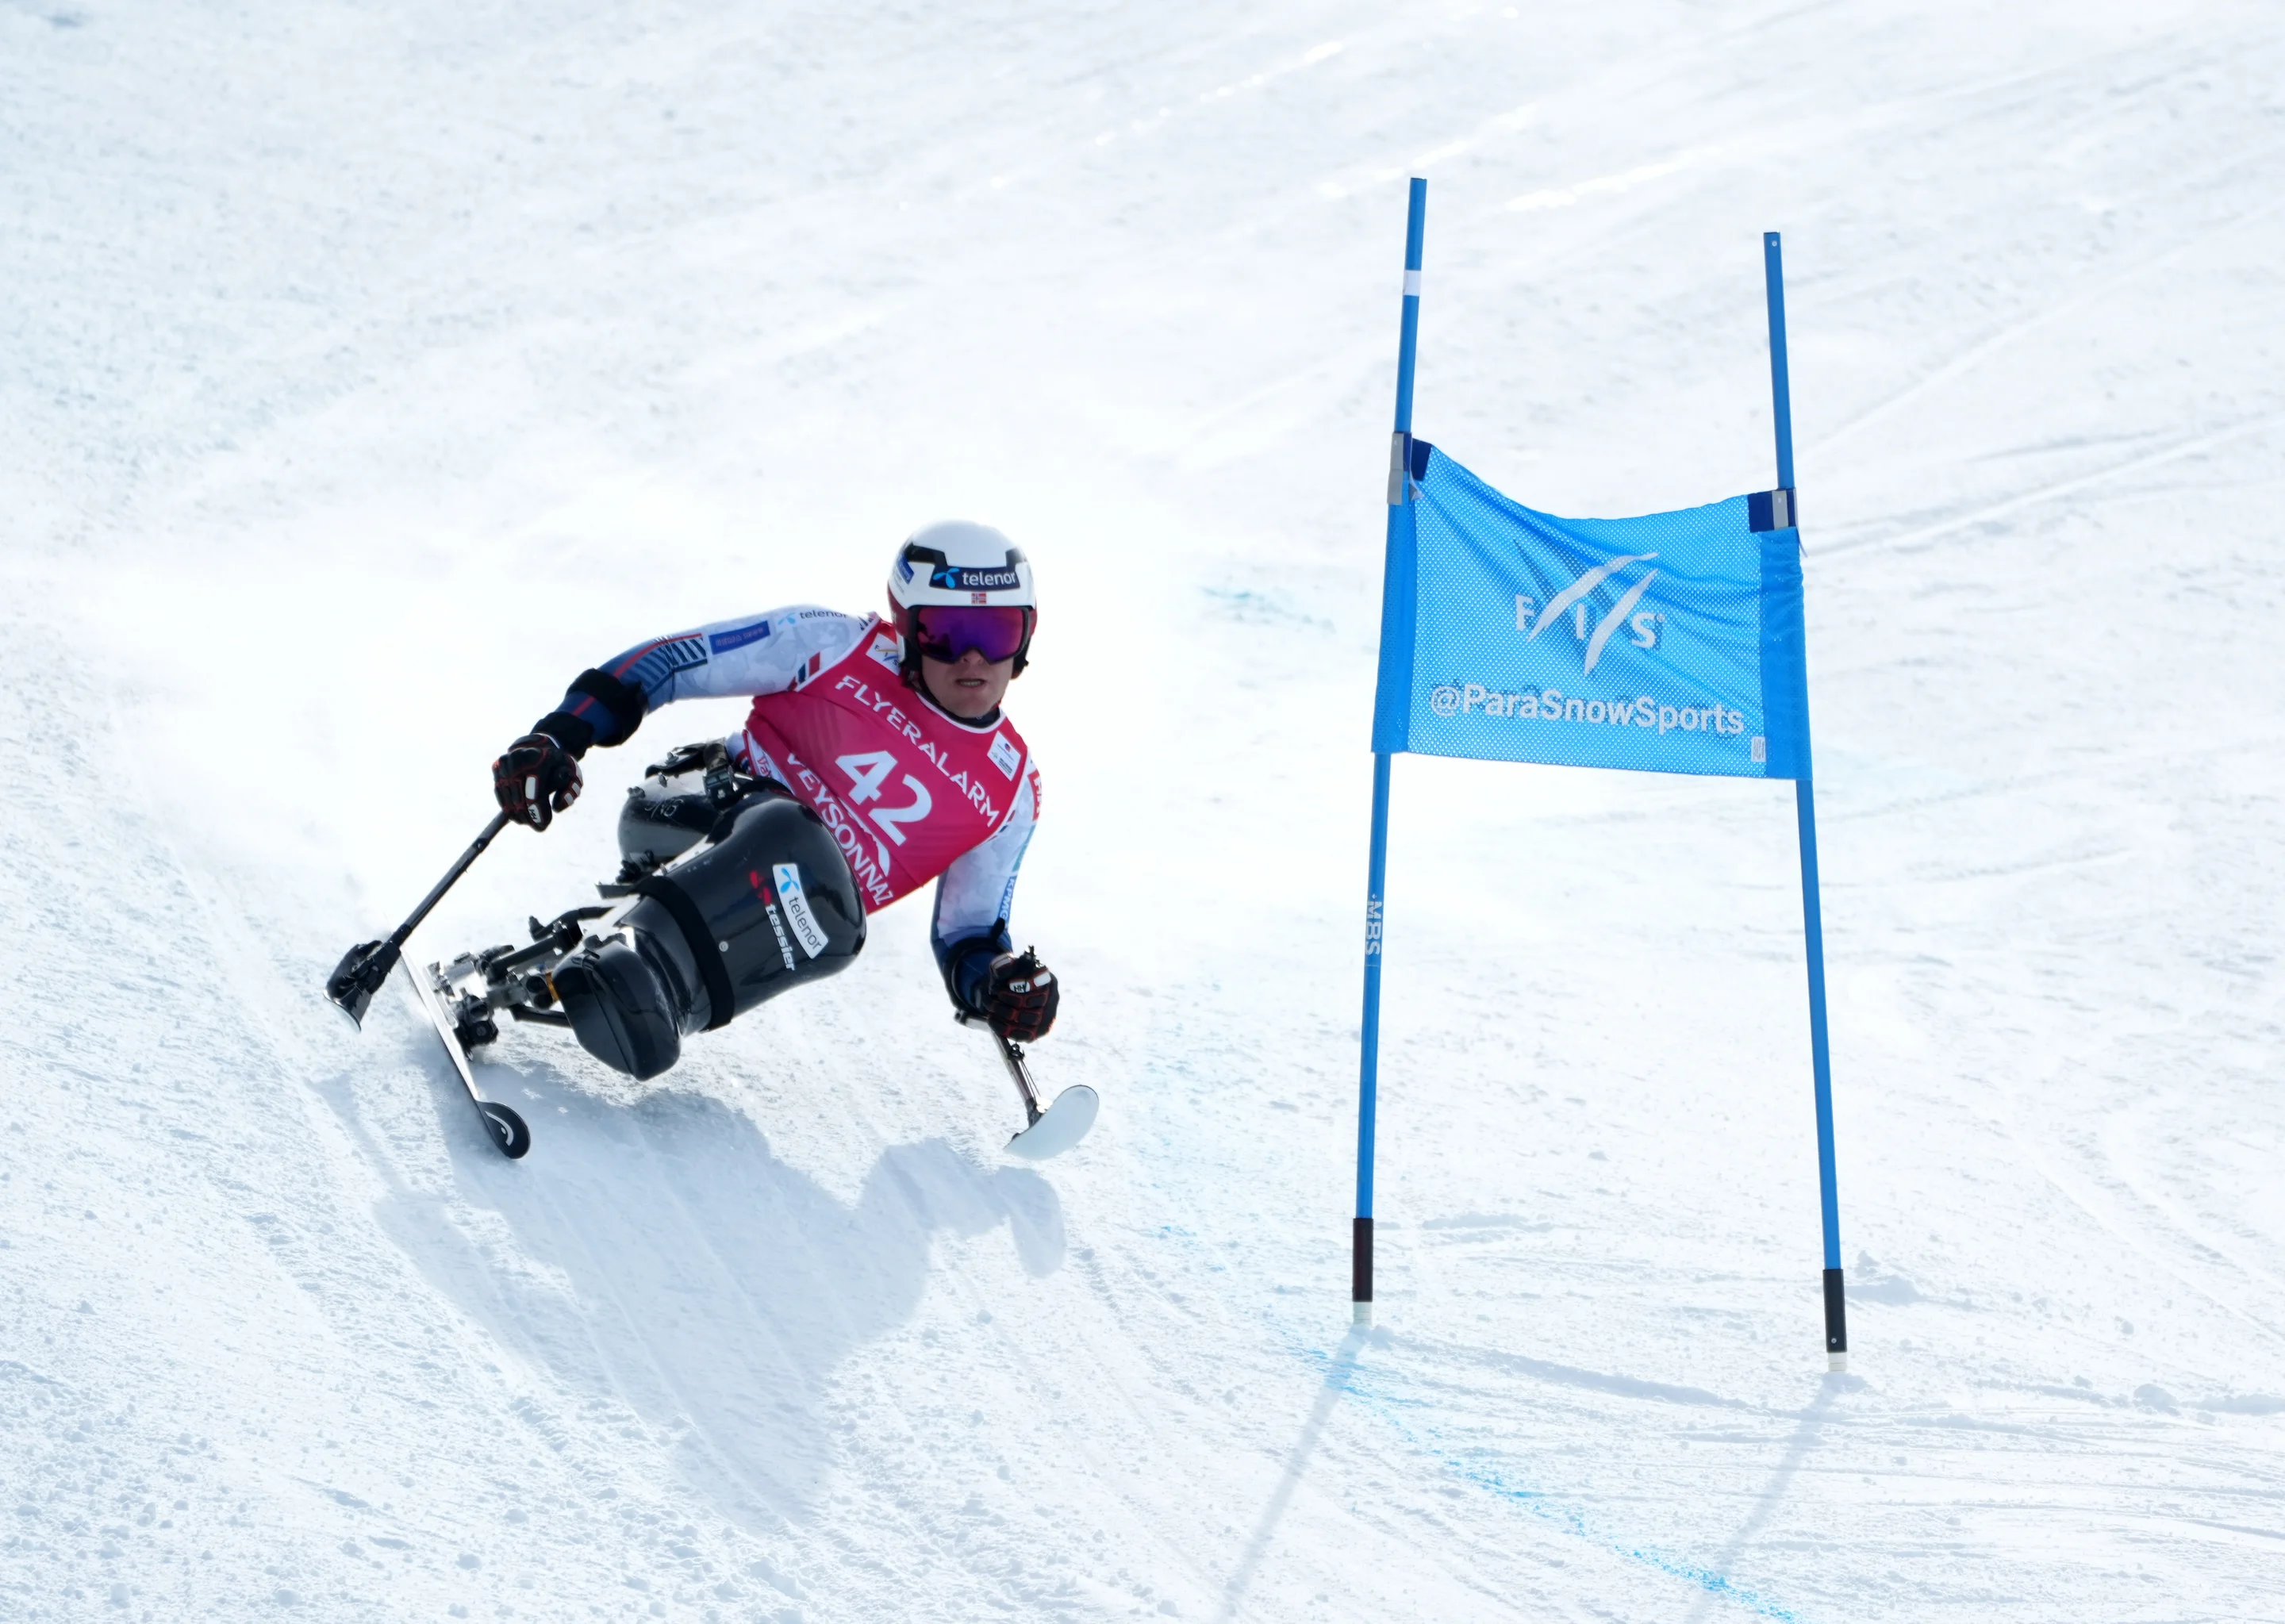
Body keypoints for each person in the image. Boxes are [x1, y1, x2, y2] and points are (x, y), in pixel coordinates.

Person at [487, 520, 1059, 1080]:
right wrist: (558, 737)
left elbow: (970, 937)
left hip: (779, 919)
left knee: (841, 923)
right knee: (794, 835)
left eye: (997, 633)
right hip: (691, 811)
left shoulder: (1012, 790)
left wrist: (1002, 985)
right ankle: (632, 964)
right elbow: (670, 662)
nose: (973, 658)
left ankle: (654, 1000)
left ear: (1025, 639)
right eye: (948, 634)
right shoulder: (837, 646)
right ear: (908, 628)